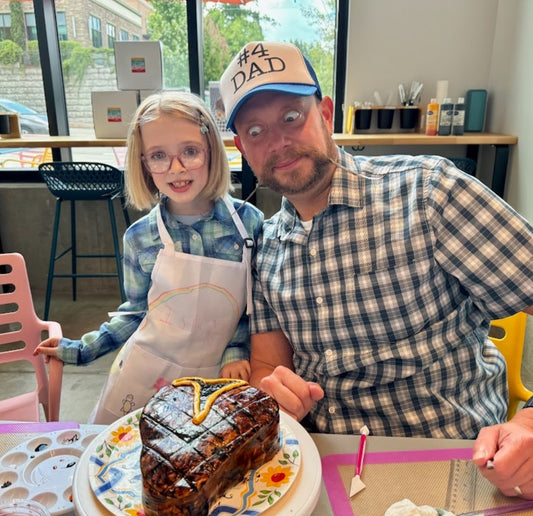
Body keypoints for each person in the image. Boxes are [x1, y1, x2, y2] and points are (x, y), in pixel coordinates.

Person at [219, 41, 533, 440]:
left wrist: (528, 423)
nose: (278, 142)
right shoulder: (264, 248)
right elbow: (267, 365)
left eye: (292, 116)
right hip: (326, 459)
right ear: (243, 149)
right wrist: (274, 393)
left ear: (326, 114)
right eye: (256, 130)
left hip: (448, 452)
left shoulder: (430, 192)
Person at [34, 91, 263, 424]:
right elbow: (136, 313)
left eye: (190, 151)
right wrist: (83, 348)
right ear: (142, 163)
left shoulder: (249, 224)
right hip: (151, 374)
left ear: (212, 151)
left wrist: (237, 351)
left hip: (222, 378)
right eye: (158, 155)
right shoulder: (140, 238)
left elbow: (255, 308)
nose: (177, 168)